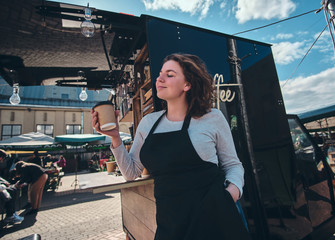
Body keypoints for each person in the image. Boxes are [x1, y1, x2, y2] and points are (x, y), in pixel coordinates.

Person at [92, 53, 250, 239]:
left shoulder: (212, 118)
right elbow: (131, 172)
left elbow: (233, 165)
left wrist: (229, 195)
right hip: (171, 225)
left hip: (215, 219)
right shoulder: (148, 123)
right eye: (160, 73)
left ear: (187, 84)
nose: (159, 78)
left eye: (170, 74)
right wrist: (115, 138)